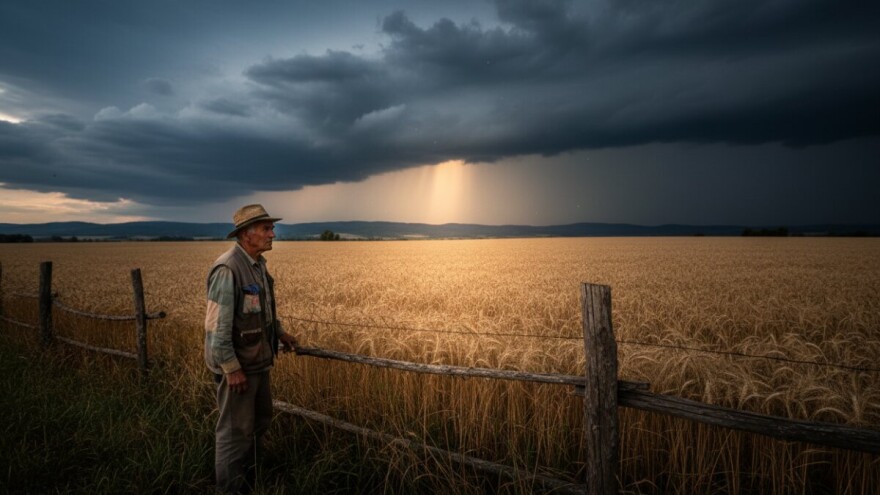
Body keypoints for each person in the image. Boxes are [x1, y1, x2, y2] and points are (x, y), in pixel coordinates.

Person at [204, 204, 299, 494]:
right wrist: (231, 368)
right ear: (247, 234)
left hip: (257, 361)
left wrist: (280, 333)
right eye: (266, 228)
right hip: (240, 367)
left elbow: (261, 309)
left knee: (257, 426)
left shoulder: (257, 265)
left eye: (272, 228)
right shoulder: (228, 268)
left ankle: (249, 484)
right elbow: (216, 326)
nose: (273, 234)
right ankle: (230, 489)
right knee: (235, 433)